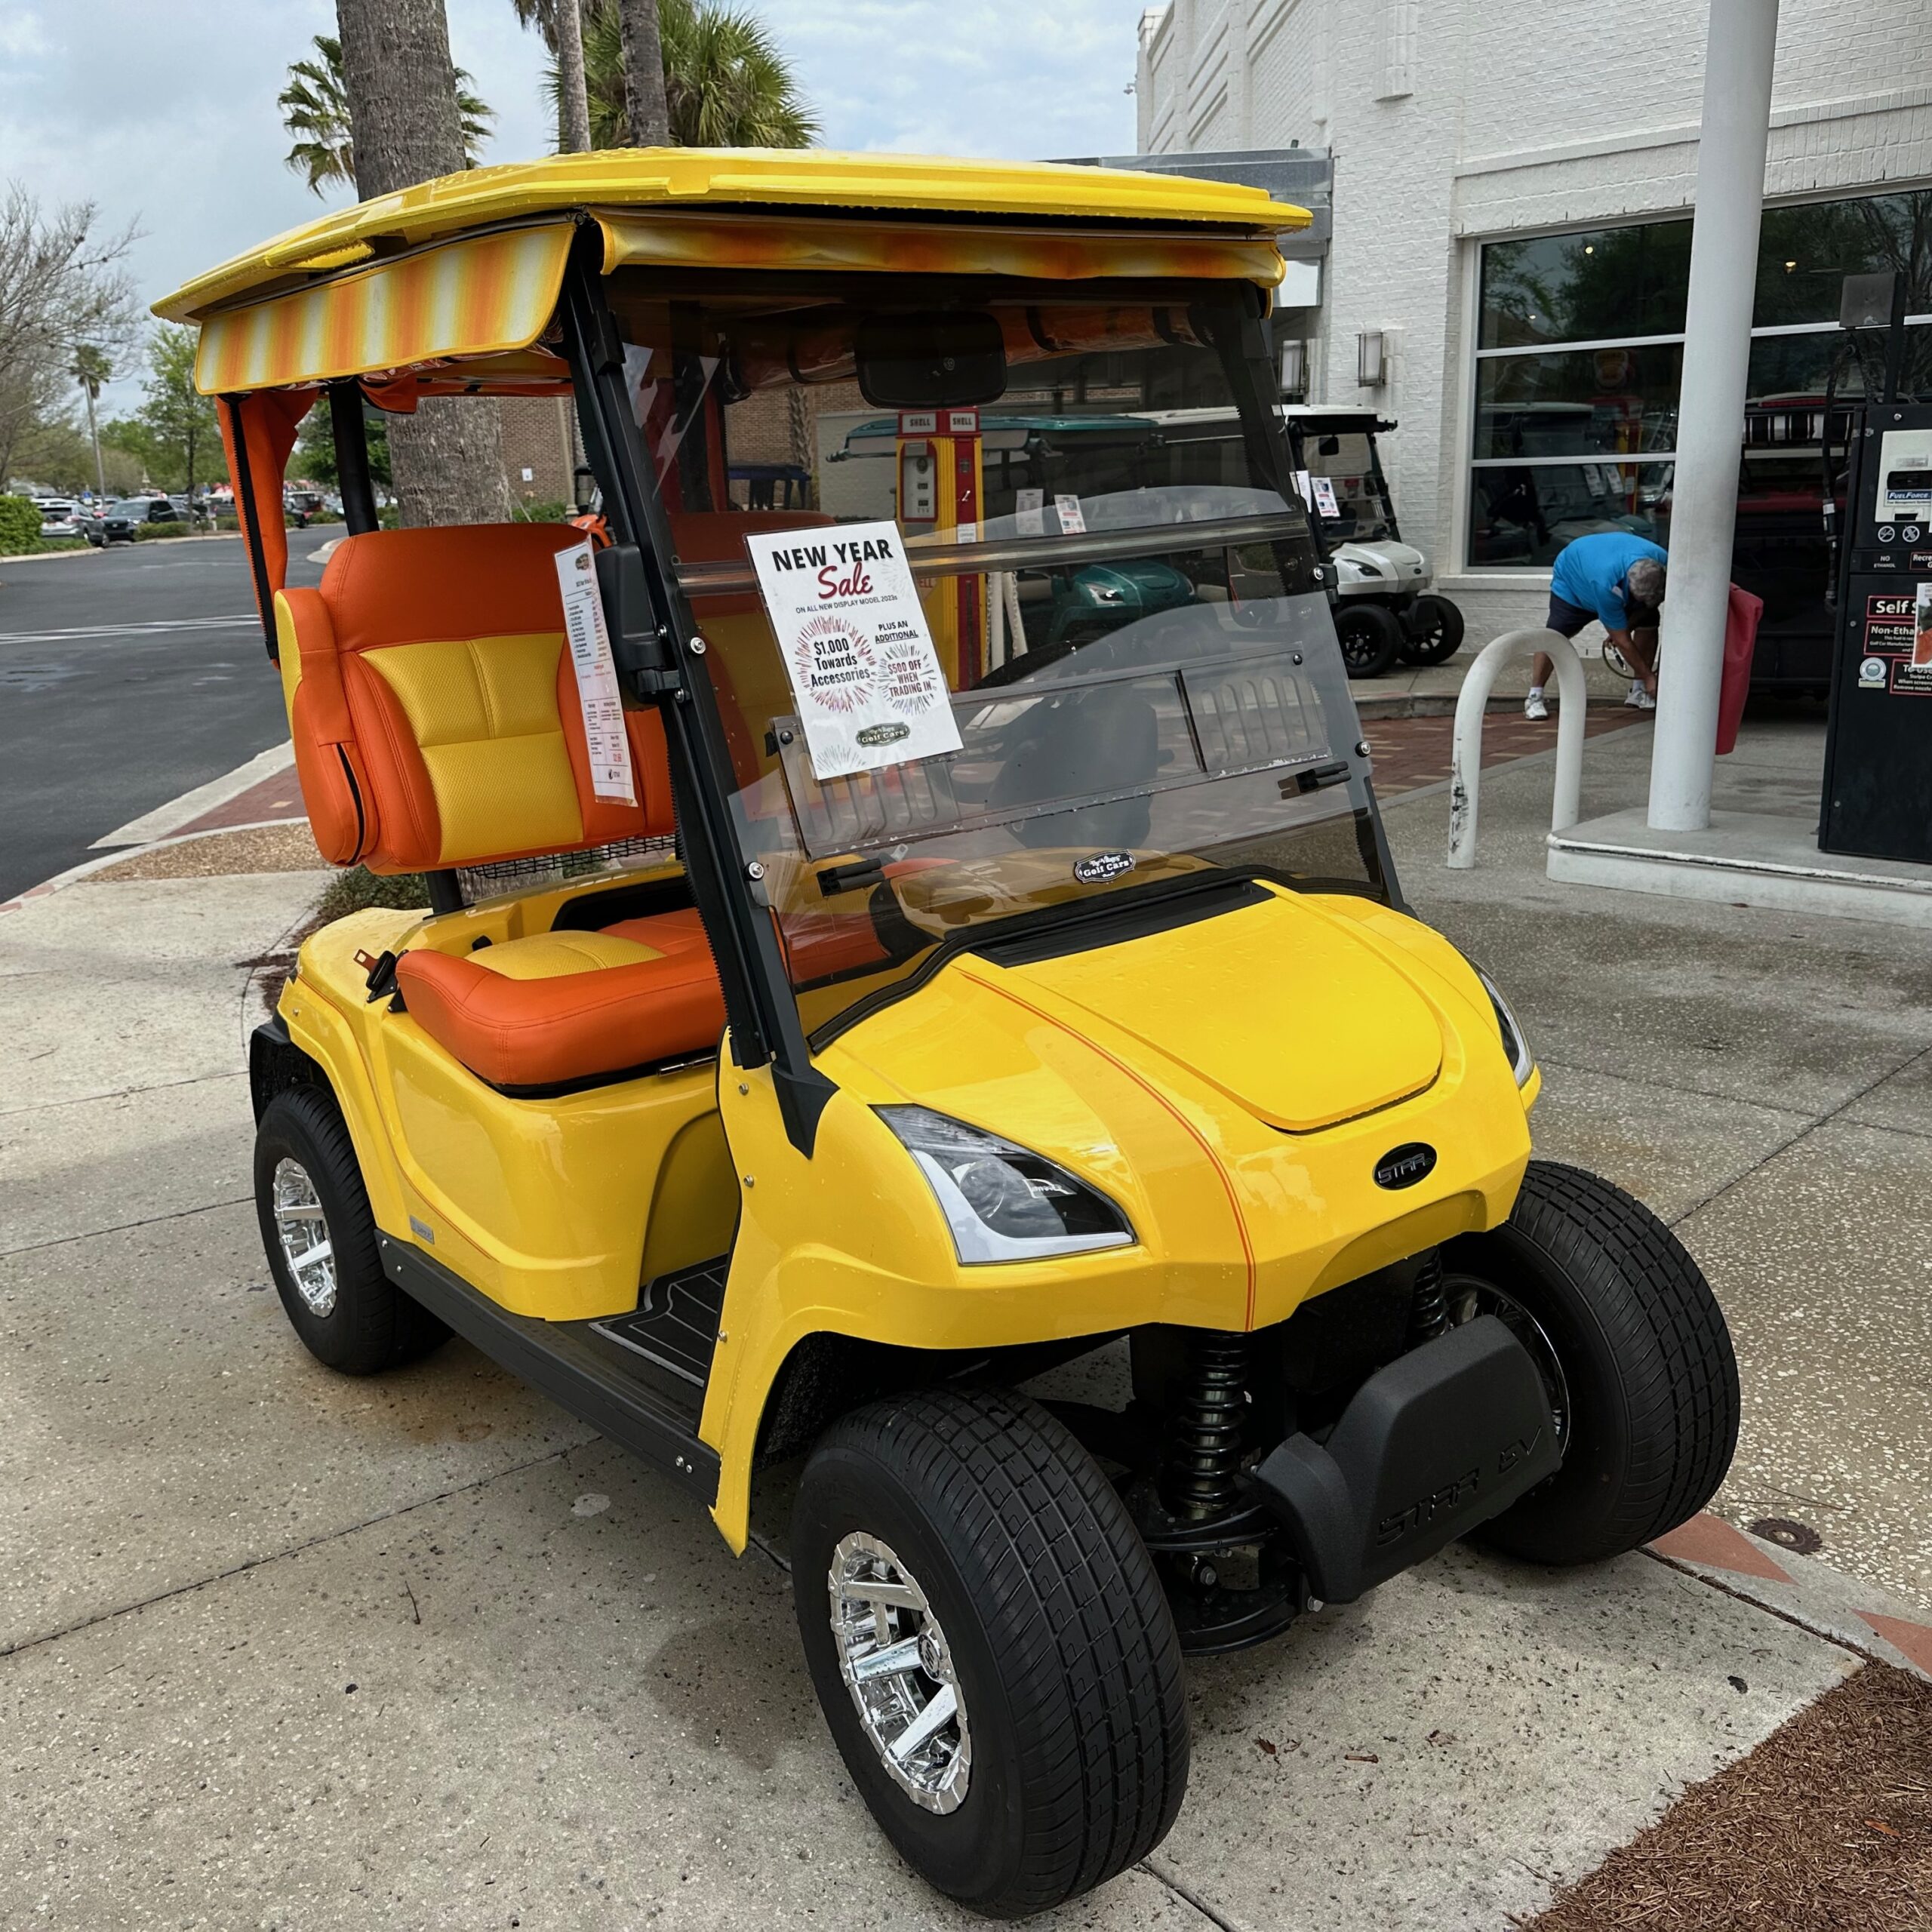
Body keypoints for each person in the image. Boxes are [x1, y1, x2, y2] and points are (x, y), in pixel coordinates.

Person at [1526, 531, 1667, 721]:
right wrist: (1651, 677)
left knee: (1649, 619)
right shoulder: (1605, 585)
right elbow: (1622, 641)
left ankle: (1639, 691)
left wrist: (1624, 626)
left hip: (1604, 567)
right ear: (1629, 587)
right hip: (1573, 582)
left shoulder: (1663, 562)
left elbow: (1643, 610)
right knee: (1554, 636)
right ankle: (1535, 696)